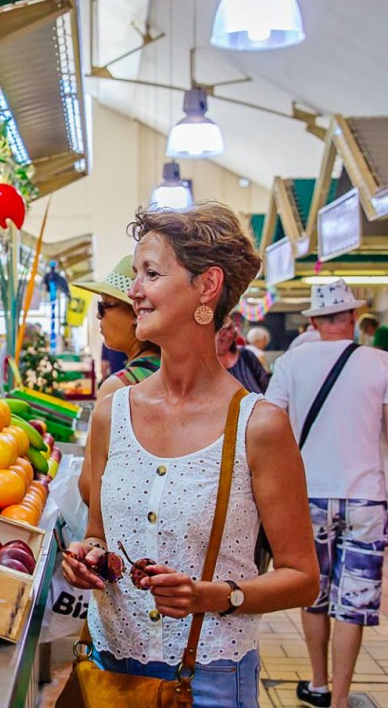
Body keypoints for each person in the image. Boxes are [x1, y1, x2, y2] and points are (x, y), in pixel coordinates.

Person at [62, 203, 318, 708]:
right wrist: (86, 558)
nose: (133, 290)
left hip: (209, 681)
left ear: (207, 287)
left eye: (151, 273)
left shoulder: (258, 425)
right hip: (106, 671)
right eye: (136, 274)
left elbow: (303, 579)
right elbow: (97, 533)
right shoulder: (111, 413)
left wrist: (214, 596)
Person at [265, 280, 388, 708]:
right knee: (352, 602)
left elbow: (269, 428)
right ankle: (339, 700)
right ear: (352, 319)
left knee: (312, 593)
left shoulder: (290, 364)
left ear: (313, 322)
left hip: (307, 496)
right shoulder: (380, 362)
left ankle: (317, 683)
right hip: (366, 497)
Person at [72, 255, 162, 504]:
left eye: (104, 307)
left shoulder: (119, 386)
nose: (99, 317)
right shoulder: (173, 372)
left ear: (136, 312)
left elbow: (90, 487)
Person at [216, 314, 269, 393]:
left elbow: (266, 385)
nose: (224, 334)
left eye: (229, 328)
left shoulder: (246, 355)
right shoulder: (201, 364)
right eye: (218, 329)